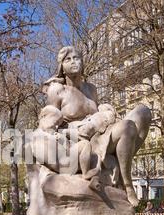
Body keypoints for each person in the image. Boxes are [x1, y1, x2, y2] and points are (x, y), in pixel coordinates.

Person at [32, 46, 152, 206]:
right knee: (126, 127)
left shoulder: (91, 89)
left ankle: (125, 179)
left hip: (99, 133)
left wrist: (105, 113)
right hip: (79, 141)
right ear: (61, 66)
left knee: (139, 115)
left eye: (76, 58)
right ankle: (128, 186)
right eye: (68, 59)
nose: (73, 62)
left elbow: (99, 116)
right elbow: (50, 121)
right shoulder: (57, 90)